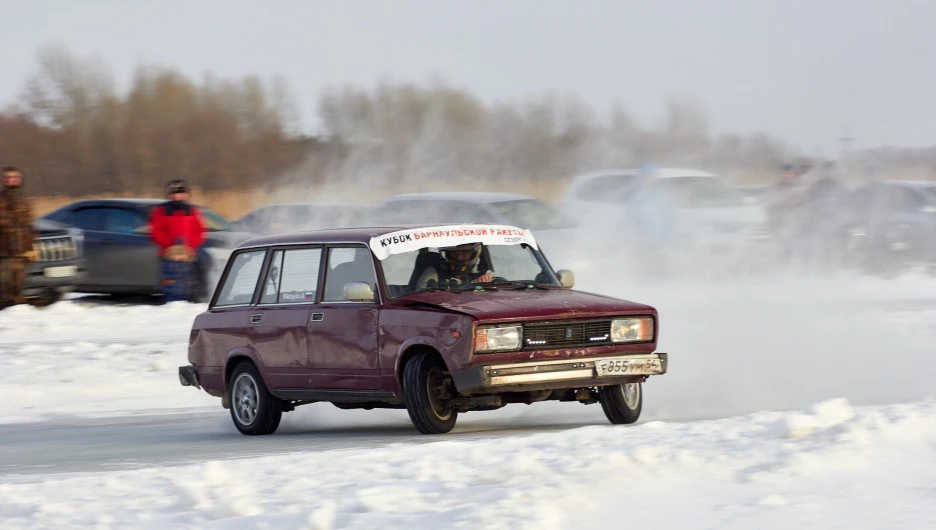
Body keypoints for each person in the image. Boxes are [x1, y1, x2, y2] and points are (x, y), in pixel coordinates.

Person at [149, 179, 207, 302]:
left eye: (181, 193)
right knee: (172, 289)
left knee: (190, 288)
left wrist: (188, 247)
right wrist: (171, 247)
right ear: (169, 195)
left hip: (189, 257)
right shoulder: (161, 211)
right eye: (174, 193)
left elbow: (200, 231)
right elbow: (156, 231)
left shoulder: (193, 211)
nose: (178, 196)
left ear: (186, 194)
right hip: (169, 257)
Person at [0, 166, 37, 309]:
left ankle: (18, 318)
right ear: (4, 181)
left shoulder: (25, 202)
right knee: (4, 288)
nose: (11, 180)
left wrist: (31, 249)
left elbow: (29, 227)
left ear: (20, 180)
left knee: (19, 287)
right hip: (3, 254)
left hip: (21, 254)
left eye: (14, 177)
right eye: (8, 178)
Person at [416, 243, 494, 291]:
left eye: (464, 253)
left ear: (474, 253)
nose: (459, 258)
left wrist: (486, 286)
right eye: (455, 253)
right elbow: (420, 303)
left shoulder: (485, 274)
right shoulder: (433, 274)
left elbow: (499, 298)